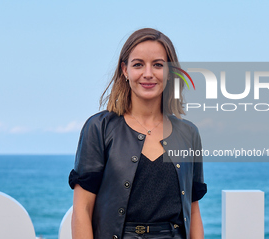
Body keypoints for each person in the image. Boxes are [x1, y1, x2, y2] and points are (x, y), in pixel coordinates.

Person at [69, 28, 207, 239]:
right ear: (125, 70)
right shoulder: (99, 128)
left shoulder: (189, 134)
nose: (148, 73)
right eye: (138, 64)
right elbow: (82, 210)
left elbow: (194, 211)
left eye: (158, 65)